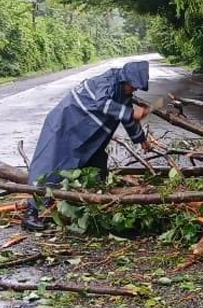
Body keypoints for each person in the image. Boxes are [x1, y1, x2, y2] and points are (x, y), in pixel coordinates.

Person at [22, 60, 152, 231]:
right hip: (65, 125)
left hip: (87, 134)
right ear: (125, 80)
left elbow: (127, 118)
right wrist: (132, 112)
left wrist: (141, 139)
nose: (133, 90)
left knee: (95, 169)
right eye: (132, 86)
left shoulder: (123, 92)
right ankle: (31, 213)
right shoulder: (107, 81)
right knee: (51, 166)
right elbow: (103, 103)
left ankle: (89, 208)